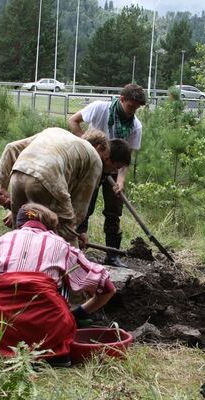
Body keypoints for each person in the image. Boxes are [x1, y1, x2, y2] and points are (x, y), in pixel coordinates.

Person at [0, 203, 116, 365]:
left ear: (19, 224)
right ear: (51, 226)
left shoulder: (1, 241)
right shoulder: (62, 246)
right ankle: (51, 357)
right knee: (62, 282)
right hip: (46, 338)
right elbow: (107, 287)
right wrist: (78, 314)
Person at [0, 127, 131, 248]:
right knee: (66, 238)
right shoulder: (94, 158)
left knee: (21, 231)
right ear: (99, 148)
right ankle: (69, 275)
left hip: (18, 175)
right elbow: (79, 207)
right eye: (106, 157)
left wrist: (3, 187)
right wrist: (74, 233)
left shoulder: (55, 132)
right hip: (46, 179)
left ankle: (15, 271)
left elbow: (11, 147)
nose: (105, 162)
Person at [68, 84, 147, 268]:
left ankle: (112, 256)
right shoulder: (99, 108)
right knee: (84, 208)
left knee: (114, 213)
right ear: (122, 99)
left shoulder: (135, 126)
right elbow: (73, 121)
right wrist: (88, 146)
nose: (132, 112)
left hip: (113, 170)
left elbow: (126, 159)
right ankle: (77, 251)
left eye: (136, 108)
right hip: (92, 167)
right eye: (130, 106)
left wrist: (120, 181)